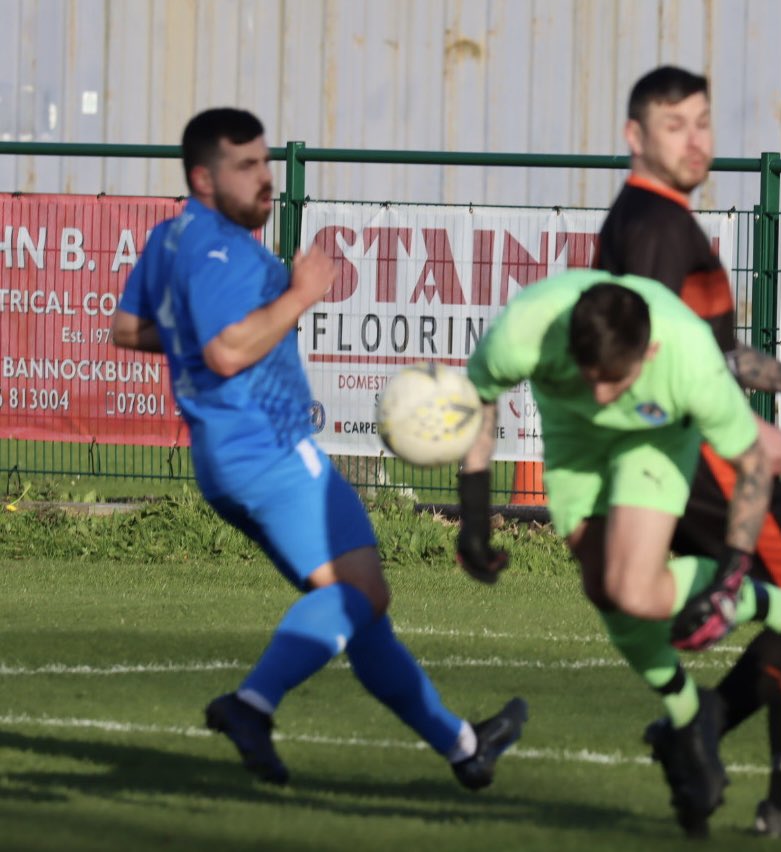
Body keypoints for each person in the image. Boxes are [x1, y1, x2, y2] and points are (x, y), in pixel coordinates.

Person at [111, 107, 526, 790]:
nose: (265, 180)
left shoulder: (168, 239)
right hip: (271, 450)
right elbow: (224, 350)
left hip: (223, 460)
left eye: (265, 163)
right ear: (202, 179)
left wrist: (198, 337)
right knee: (362, 591)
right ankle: (251, 704)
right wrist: (301, 293)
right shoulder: (222, 247)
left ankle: (462, 746)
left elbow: (128, 329)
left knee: (355, 610)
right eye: (245, 167)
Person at [455, 268, 781, 836]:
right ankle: (689, 717)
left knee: (634, 588)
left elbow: (753, 465)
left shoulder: (686, 355)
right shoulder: (525, 330)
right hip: (575, 444)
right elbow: (481, 400)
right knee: (603, 590)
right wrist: (473, 514)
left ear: (651, 349)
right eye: (590, 377)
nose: (600, 396)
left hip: (654, 441)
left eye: (614, 382)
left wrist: (731, 576)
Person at [596, 65, 781, 839]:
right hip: (712, 465)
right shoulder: (652, 229)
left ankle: (711, 730)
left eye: (703, 122)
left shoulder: (665, 222)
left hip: (705, 455)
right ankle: (776, 789)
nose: (695, 140)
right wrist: (746, 436)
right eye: (674, 125)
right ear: (634, 136)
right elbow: (645, 363)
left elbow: (707, 353)